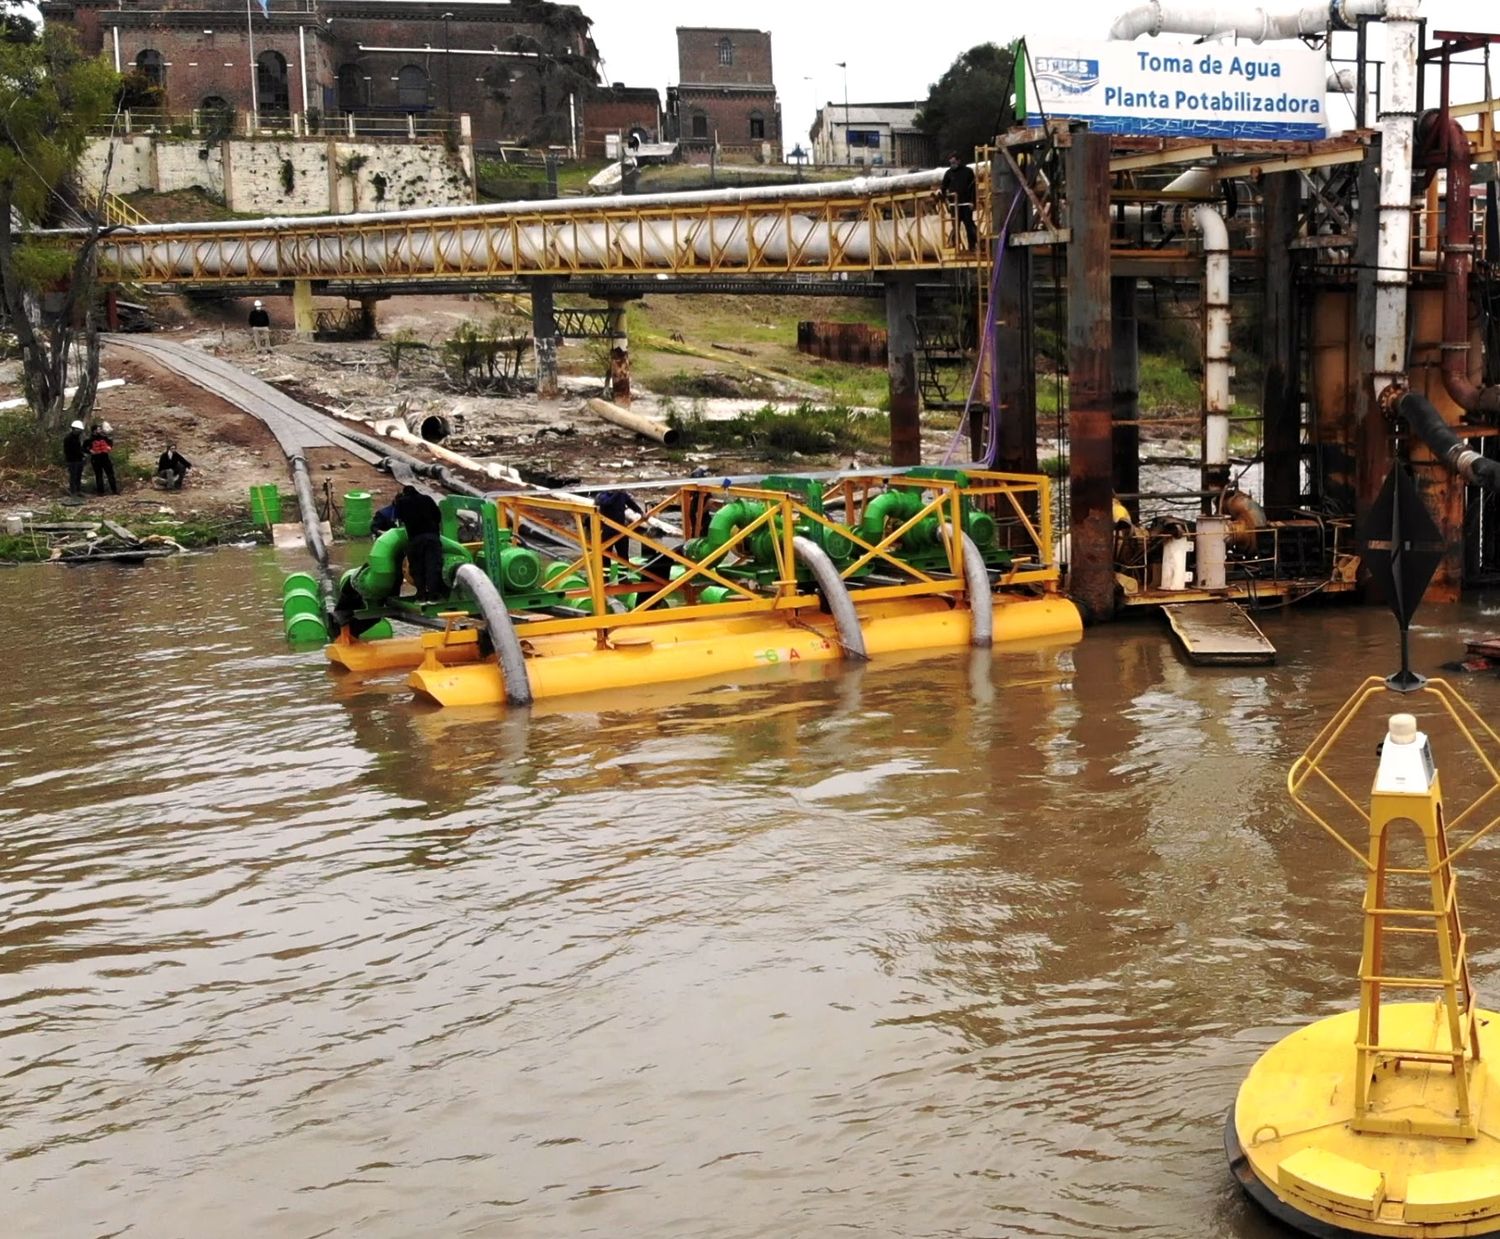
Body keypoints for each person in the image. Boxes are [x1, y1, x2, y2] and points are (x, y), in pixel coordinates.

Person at [394, 484, 444, 601]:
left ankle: (421, 594)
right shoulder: (427, 498)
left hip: (415, 539)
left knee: (417, 567)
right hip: (432, 537)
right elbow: (438, 516)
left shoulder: (402, 502)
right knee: (432, 565)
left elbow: (398, 520)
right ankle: (433, 594)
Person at [939, 153, 978, 251]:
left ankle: (972, 246)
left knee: (969, 225)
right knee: (955, 226)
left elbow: (973, 188)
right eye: (951, 163)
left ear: (959, 161)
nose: (952, 164)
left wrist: (973, 202)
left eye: (954, 162)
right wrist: (944, 198)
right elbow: (943, 187)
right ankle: (956, 246)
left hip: (965, 204)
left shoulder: (968, 171)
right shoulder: (948, 173)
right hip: (954, 205)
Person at [87, 421, 118, 496]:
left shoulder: (104, 437)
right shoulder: (90, 440)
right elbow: (84, 448)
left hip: (105, 458)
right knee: (99, 475)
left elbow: (110, 442)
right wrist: (90, 451)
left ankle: (114, 490)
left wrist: (109, 447)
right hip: (96, 459)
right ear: (94, 431)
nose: (100, 430)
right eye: (98, 429)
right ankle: (101, 492)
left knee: (110, 474)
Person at [62, 419, 86, 496]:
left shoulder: (77, 438)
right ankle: (73, 491)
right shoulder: (68, 438)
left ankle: (78, 490)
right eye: (78, 430)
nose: (79, 431)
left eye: (80, 430)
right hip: (72, 460)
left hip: (79, 460)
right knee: (73, 476)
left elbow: (79, 448)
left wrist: (82, 455)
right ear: (74, 429)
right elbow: (69, 450)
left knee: (78, 476)